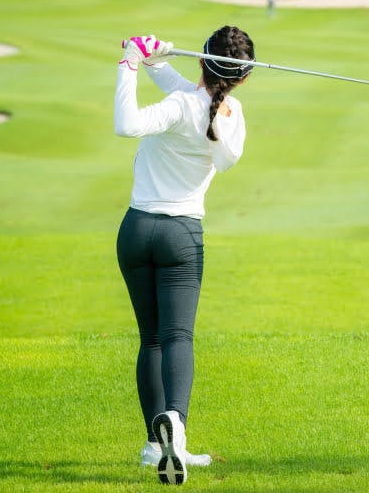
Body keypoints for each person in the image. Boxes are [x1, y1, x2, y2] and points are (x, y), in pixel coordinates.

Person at [113, 26, 254, 485]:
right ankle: (175, 423)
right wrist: (157, 61)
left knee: (151, 339)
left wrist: (130, 64)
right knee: (178, 337)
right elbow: (201, 107)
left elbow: (126, 125)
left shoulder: (179, 105)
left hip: (136, 231)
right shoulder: (230, 115)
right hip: (181, 237)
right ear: (243, 78)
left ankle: (154, 446)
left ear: (202, 61)